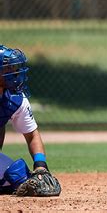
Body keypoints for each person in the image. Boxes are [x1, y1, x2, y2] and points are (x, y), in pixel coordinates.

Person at [0, 45, 61, 196]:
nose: (14, 73)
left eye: (14, 68)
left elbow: (32, 135)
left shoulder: (14, 99)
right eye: (7, 69)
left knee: (19, 176)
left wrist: (41, 166)